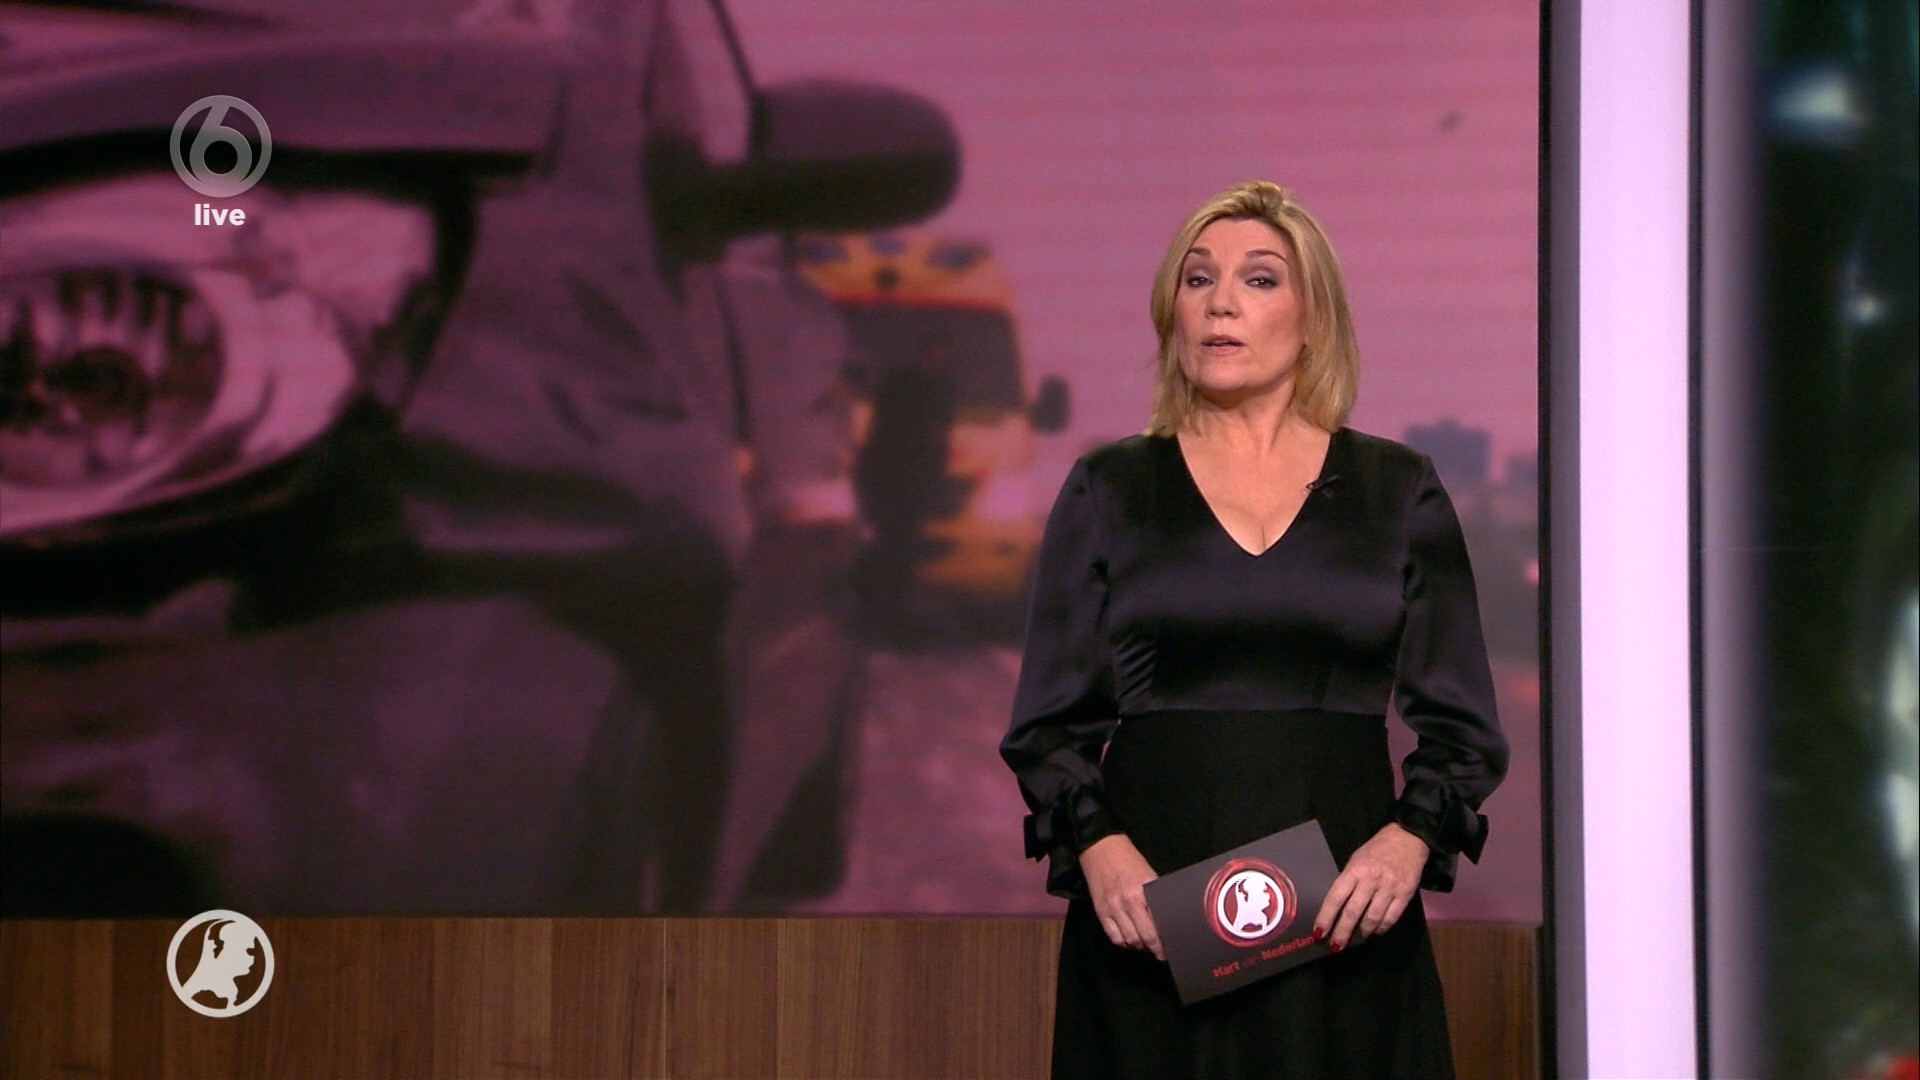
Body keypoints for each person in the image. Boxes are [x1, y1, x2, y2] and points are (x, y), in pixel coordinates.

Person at [1000, 180, 1509, 1078]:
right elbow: (1048, 724)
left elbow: (1463, 727)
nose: (1221, 302)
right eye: (1197, 279)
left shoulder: (1398, 489)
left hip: (1345, 914)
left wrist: (1408, 840)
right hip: (1153, 919)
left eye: (1259, 279)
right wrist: (1100, 848)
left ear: (1314, 319)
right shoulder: (1110, 487)